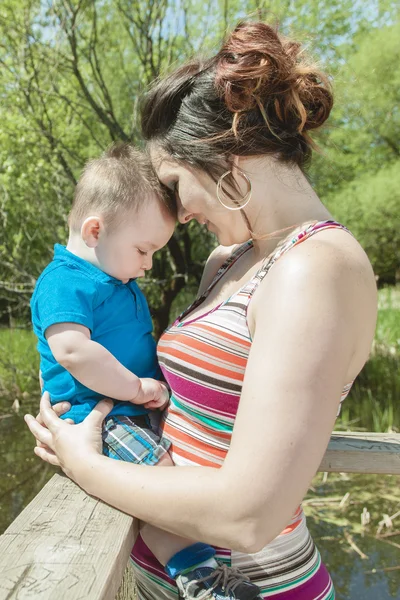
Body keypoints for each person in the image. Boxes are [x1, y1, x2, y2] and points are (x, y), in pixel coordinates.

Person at [25, 20, 378, 600]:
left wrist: (84, 463)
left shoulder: (317, 266)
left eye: (173, 183)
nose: (179, 214)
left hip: (254, 587)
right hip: (159, 576)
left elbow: (249, 515)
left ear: (222, 150)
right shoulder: (228, 259)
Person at [29, 143, 260, 599]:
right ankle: (204, 580)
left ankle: (198, 572)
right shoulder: (64, 282)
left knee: (158, 485)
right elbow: (73, 352)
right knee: (157, 480)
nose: (149, 263)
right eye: (143, 249)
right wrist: (136, 388)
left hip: (121, 411)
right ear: (95, 230)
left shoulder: (113, 278)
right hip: (98, 414)